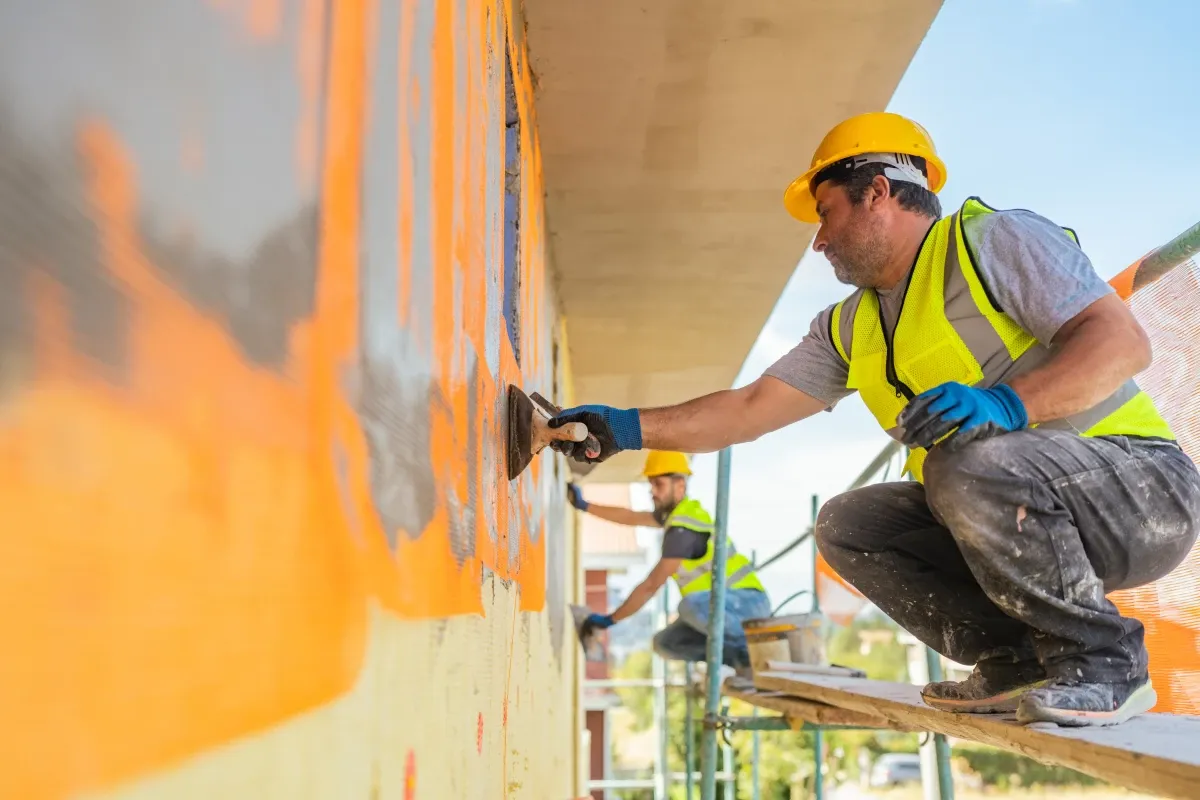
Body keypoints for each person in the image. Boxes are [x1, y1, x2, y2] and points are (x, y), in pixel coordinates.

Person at [549, 112, 1200, 727]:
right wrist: (624, 429)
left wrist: (1009, 404)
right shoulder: (849, 326)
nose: (819, 240)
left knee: (964, 462)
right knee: (850, 526)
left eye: (825, 212)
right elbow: (746, 410)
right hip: (1009, 518)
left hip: (1140, 493)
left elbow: (1122, 343)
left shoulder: (991, 240)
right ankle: (1016, 658)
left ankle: (1106, 663)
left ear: (878, 191)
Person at [572, 450, 771, 670]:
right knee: (666, 643)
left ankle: (754, 656)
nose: (652, 492)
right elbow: (631, 517)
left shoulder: (683, 529)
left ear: (680, 485)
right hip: (721, 609)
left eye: (659, 484)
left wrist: (610, 620)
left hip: (746, 605)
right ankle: (741, 662)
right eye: (651, 484)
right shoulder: (675, 516)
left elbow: (650, 586)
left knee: (690, 605)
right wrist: (584, 505)